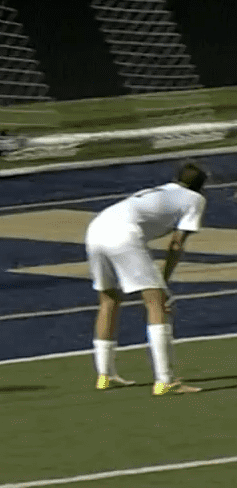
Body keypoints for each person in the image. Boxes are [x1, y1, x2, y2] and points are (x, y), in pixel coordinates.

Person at [84, 162, 208, 395]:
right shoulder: (195, 200)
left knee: (108, 300)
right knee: (156, 303)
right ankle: (166, 380)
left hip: (96, 229)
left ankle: (105, 374)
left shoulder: (162, 190)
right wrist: (164, 281)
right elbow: (176, 244)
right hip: (122, 234)